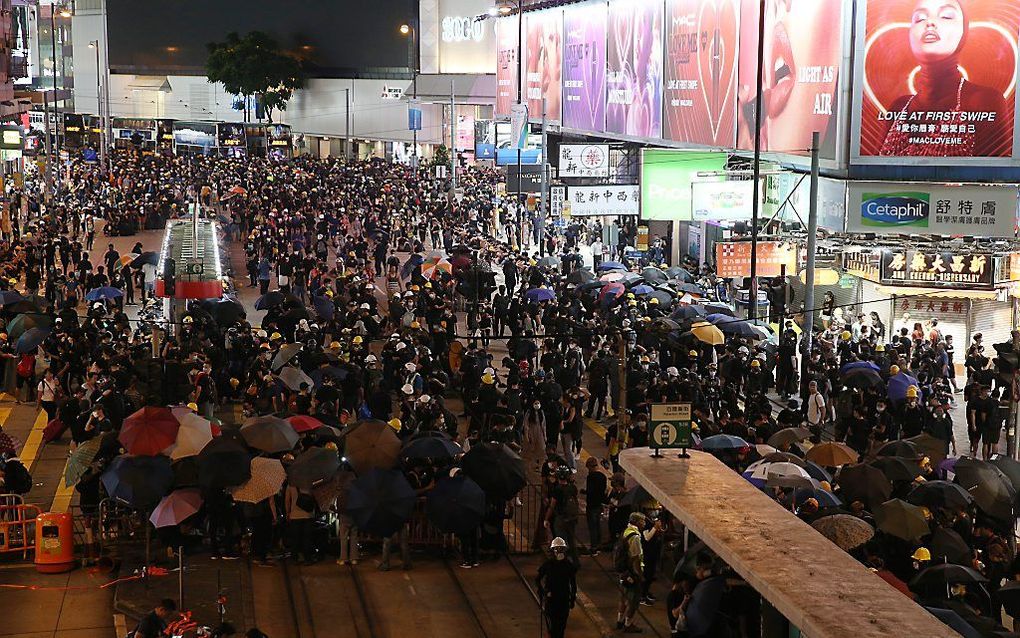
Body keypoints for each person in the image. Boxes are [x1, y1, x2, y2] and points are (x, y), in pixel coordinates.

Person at [875, 0, 1012, 157]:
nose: (930, 23)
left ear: (964, 32)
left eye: (946, 16)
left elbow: (992, 176)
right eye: (920, 18)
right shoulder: (899, 108)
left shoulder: (983, 101)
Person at [536, 537, 577, 638]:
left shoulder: (568, 565)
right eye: (557, 549)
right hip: (552, 600)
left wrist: (572, 599)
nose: (559, 551)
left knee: (561, 627)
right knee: (554, 627)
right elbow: (537, 579)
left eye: (561, 549)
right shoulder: (548, 565)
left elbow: (573, 583)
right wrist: (542, 592)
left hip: (563, 600)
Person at [616, 511, 647, 633]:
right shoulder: (635, 537)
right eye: (643, 521)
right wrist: (639, 575)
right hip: (632, 573)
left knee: (623, 597)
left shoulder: (626, 531)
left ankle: (619, 621)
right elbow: (636, 559)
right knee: (633, 600)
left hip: (623, 571)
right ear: (637, 522)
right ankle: (628, 624)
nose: (644, 523)